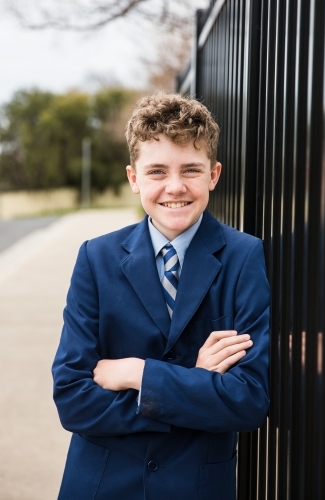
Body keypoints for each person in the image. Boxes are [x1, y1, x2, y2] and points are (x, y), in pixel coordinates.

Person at [52, 93, 270, 500]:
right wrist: (195, 383)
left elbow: (248, 400)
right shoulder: (95, 258)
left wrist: (137, 373)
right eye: (157, 171)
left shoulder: (244, 257)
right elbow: (72, 398)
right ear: (134, 178)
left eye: (191, 169)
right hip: (101, 485)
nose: (175, 187)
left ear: (214, 175)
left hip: (197, 485)